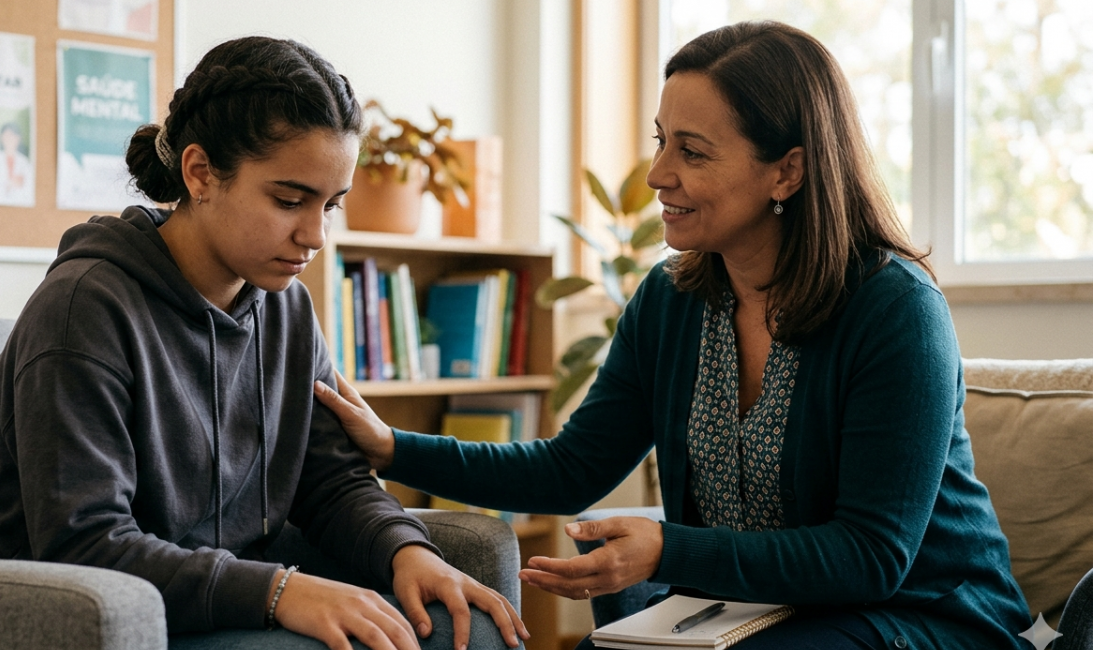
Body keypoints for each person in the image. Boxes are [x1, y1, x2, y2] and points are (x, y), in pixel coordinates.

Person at [316, 20, 1033, 650]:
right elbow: (571, 470)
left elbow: (872, 558)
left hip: (924, 616)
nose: (659, 173)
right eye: (662, 141)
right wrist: (393, 447)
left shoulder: (894, 309)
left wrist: (666, 549)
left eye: (692, 151)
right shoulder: (670, 297)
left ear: (787, 170)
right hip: (753, 614)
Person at [0, 36, 526, 650]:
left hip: (222, 601)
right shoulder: (82, 311)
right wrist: (280, 591)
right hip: (87, 620)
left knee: (466, 632)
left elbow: (330, 481)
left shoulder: (286, 307)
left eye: (331, 204)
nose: (316, 235)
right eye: (289, 200)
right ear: (200, 173)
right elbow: (86, 545)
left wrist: (405, 549)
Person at [0, 122, 33, 204]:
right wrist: (6, 186)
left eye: (12, 136)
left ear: (18, 138)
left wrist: (18, 185)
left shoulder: (24, 162)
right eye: (6, 136)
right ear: (1, 138)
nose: (9, 139)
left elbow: (30, 188)